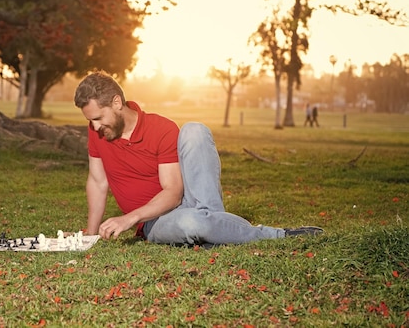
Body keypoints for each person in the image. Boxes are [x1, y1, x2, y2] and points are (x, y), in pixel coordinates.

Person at [73, 71, 322, 246]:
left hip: (185, 203)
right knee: (193, 222)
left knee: (194, 129)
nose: (94, 127)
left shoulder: (161, 128)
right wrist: (91, 234)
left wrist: (128, 218)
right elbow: (97, 181)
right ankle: (215, 230)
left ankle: (255, 234)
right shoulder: (98, 133)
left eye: (97, 118)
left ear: (117, 102)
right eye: (89, 121)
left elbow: (173, 193)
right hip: (155, 223)